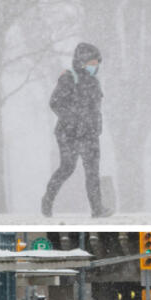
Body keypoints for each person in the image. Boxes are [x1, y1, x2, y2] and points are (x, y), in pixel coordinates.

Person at [41, 42, 111, 218]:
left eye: (97, 64)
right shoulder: (69, 78)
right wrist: (75, 119)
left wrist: (95, 125)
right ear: (81, 62)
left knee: (93, 171)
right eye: (92, 64)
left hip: (90, 133)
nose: (96, 67)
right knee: (67, 168)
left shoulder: (94, 82)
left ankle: (97, 209)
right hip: (69, 134)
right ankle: (47, 200)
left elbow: (95, 108)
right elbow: (55, 103)